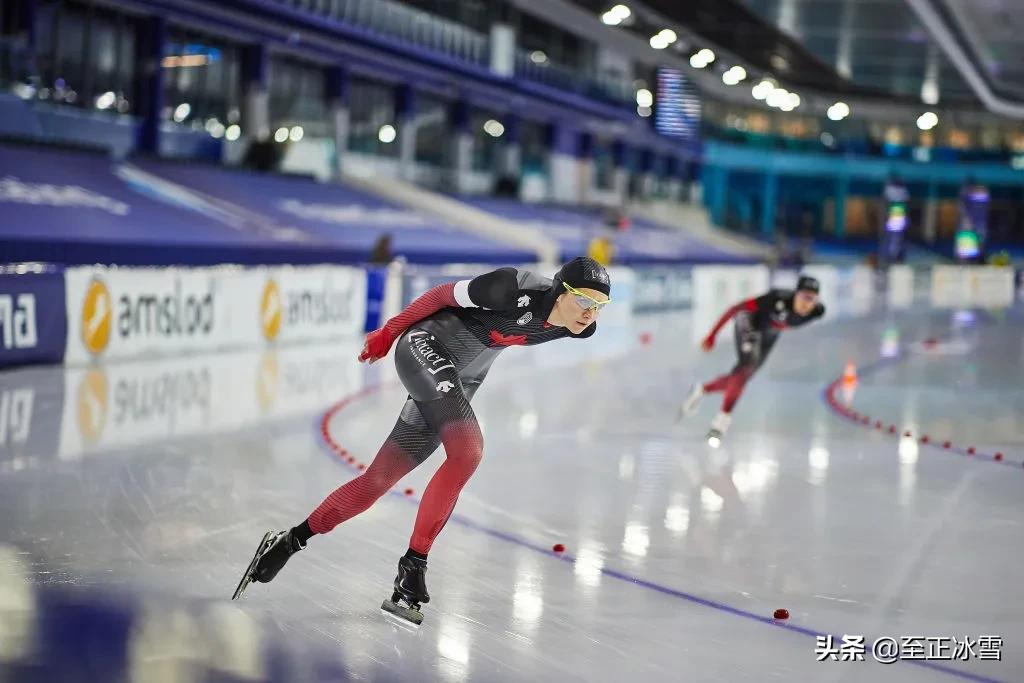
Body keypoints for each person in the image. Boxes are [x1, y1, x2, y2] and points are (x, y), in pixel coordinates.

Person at [233, 257, 612, 625]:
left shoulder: (577, 326)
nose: (590, 312)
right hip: (425, 346)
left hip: (461, 378)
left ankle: (288, 541)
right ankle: (413, 565)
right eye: (584, 299)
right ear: (560, 291)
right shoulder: (511, 287)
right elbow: (440, 296)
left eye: (599, 305)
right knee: (468, 452)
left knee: (376, 482)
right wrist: (387, 332)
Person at [680, 275, 825, 446]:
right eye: (803, 297)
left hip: (770, 332)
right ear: (795, 294)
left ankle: (702, 390)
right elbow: (735, 309)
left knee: (740, 378)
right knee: (746, 368)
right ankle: (721, 422)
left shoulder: (817, 312)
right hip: (749, 321)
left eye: (811, 299)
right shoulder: (777, 299)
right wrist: (712, 335)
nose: (806, 304)